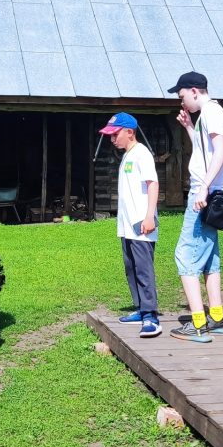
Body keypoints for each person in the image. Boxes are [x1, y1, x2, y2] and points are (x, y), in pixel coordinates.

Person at [167, 72, 223, 343]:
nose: (182, 103)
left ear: (194, 91)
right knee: (209, 259)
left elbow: (221, 151)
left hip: (206, 194)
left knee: (184, 256)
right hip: (215, 193)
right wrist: (190, 128)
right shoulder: (207, 115)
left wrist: (204, 186)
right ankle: (216, 317)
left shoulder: (212, 111)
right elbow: (206, 151)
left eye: (182, 97)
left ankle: (197, 323)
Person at [98, 112, 161, 338]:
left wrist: (149, 217)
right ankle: (140, 308)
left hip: (141, 223)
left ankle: (151, 316)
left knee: (143, 269)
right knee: (131, 267)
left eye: (115, 135)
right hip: (127, 226)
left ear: (129, 132)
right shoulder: (127, 155)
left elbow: (153, 184)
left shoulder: (142, 154)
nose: (112, 139)